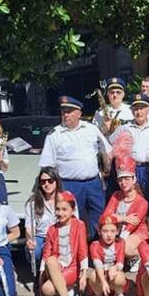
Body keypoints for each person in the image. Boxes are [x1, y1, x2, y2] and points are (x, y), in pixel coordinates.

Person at [39, 95, 111, 239]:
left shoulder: (91, 129)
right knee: (70, 221)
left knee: (100, 218)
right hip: (69, 184)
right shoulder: (54, 135)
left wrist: (106, 168)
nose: (66, 114)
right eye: (63, 111)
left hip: (93, 183)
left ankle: (97, 252)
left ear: (79, 113)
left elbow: (107, 150)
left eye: (69, 111)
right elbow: (47, 166)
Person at [111, 93, 149, 212]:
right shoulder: (125, 128)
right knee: (134, 202)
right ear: (131, 110)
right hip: (132, 169)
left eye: (142, 108)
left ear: (148, 110)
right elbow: (112, 144)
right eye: (135, 109)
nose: (138, 112)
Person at [40, 191, 88, 296]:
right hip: (56, 266)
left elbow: (83, 250)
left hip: (71, 267)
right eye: (57, 209)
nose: (60, 213)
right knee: (46, 288)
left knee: (49, 286)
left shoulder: (79, 225)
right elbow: (47, 252)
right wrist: (41, 274)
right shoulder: (52, 229)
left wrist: (83, 273)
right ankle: (67, 295)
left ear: (72, 210)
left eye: (64, 209)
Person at [102, 154, 148, 258]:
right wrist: (123, 218)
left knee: (124, 248)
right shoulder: (116, 195)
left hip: (135, 233)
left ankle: (142, 256)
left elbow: (132, 225)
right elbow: (105, 217)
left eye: (127, 179)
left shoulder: (142, 202)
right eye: (120, 180)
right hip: (116, 231)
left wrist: (115, 220)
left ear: (134, 179)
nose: (123, 183)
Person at [24, 167, 65, 282]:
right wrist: (30, 239)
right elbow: (29, 226)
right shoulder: (32, 202)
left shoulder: (65, 198)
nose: (47, 184)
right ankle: (39, 275)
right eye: (43, 181)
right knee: (35, 250)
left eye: (50, 181)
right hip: (41, 237)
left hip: (60, 236)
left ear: (56, 181)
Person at [87, 214, 127, 296]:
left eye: (112, 231)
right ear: (99, 231)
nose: (109, 235)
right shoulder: (94, 245)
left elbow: (120, 262)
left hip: (114, 272)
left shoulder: (121, 242)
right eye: (105, 231)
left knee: (120, 278)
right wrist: (103, 281)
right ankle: (98, 294)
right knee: (93, 276)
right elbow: (98, 264)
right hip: (102, 272)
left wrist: (115, 268)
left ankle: (118, 293)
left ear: (117, 231)